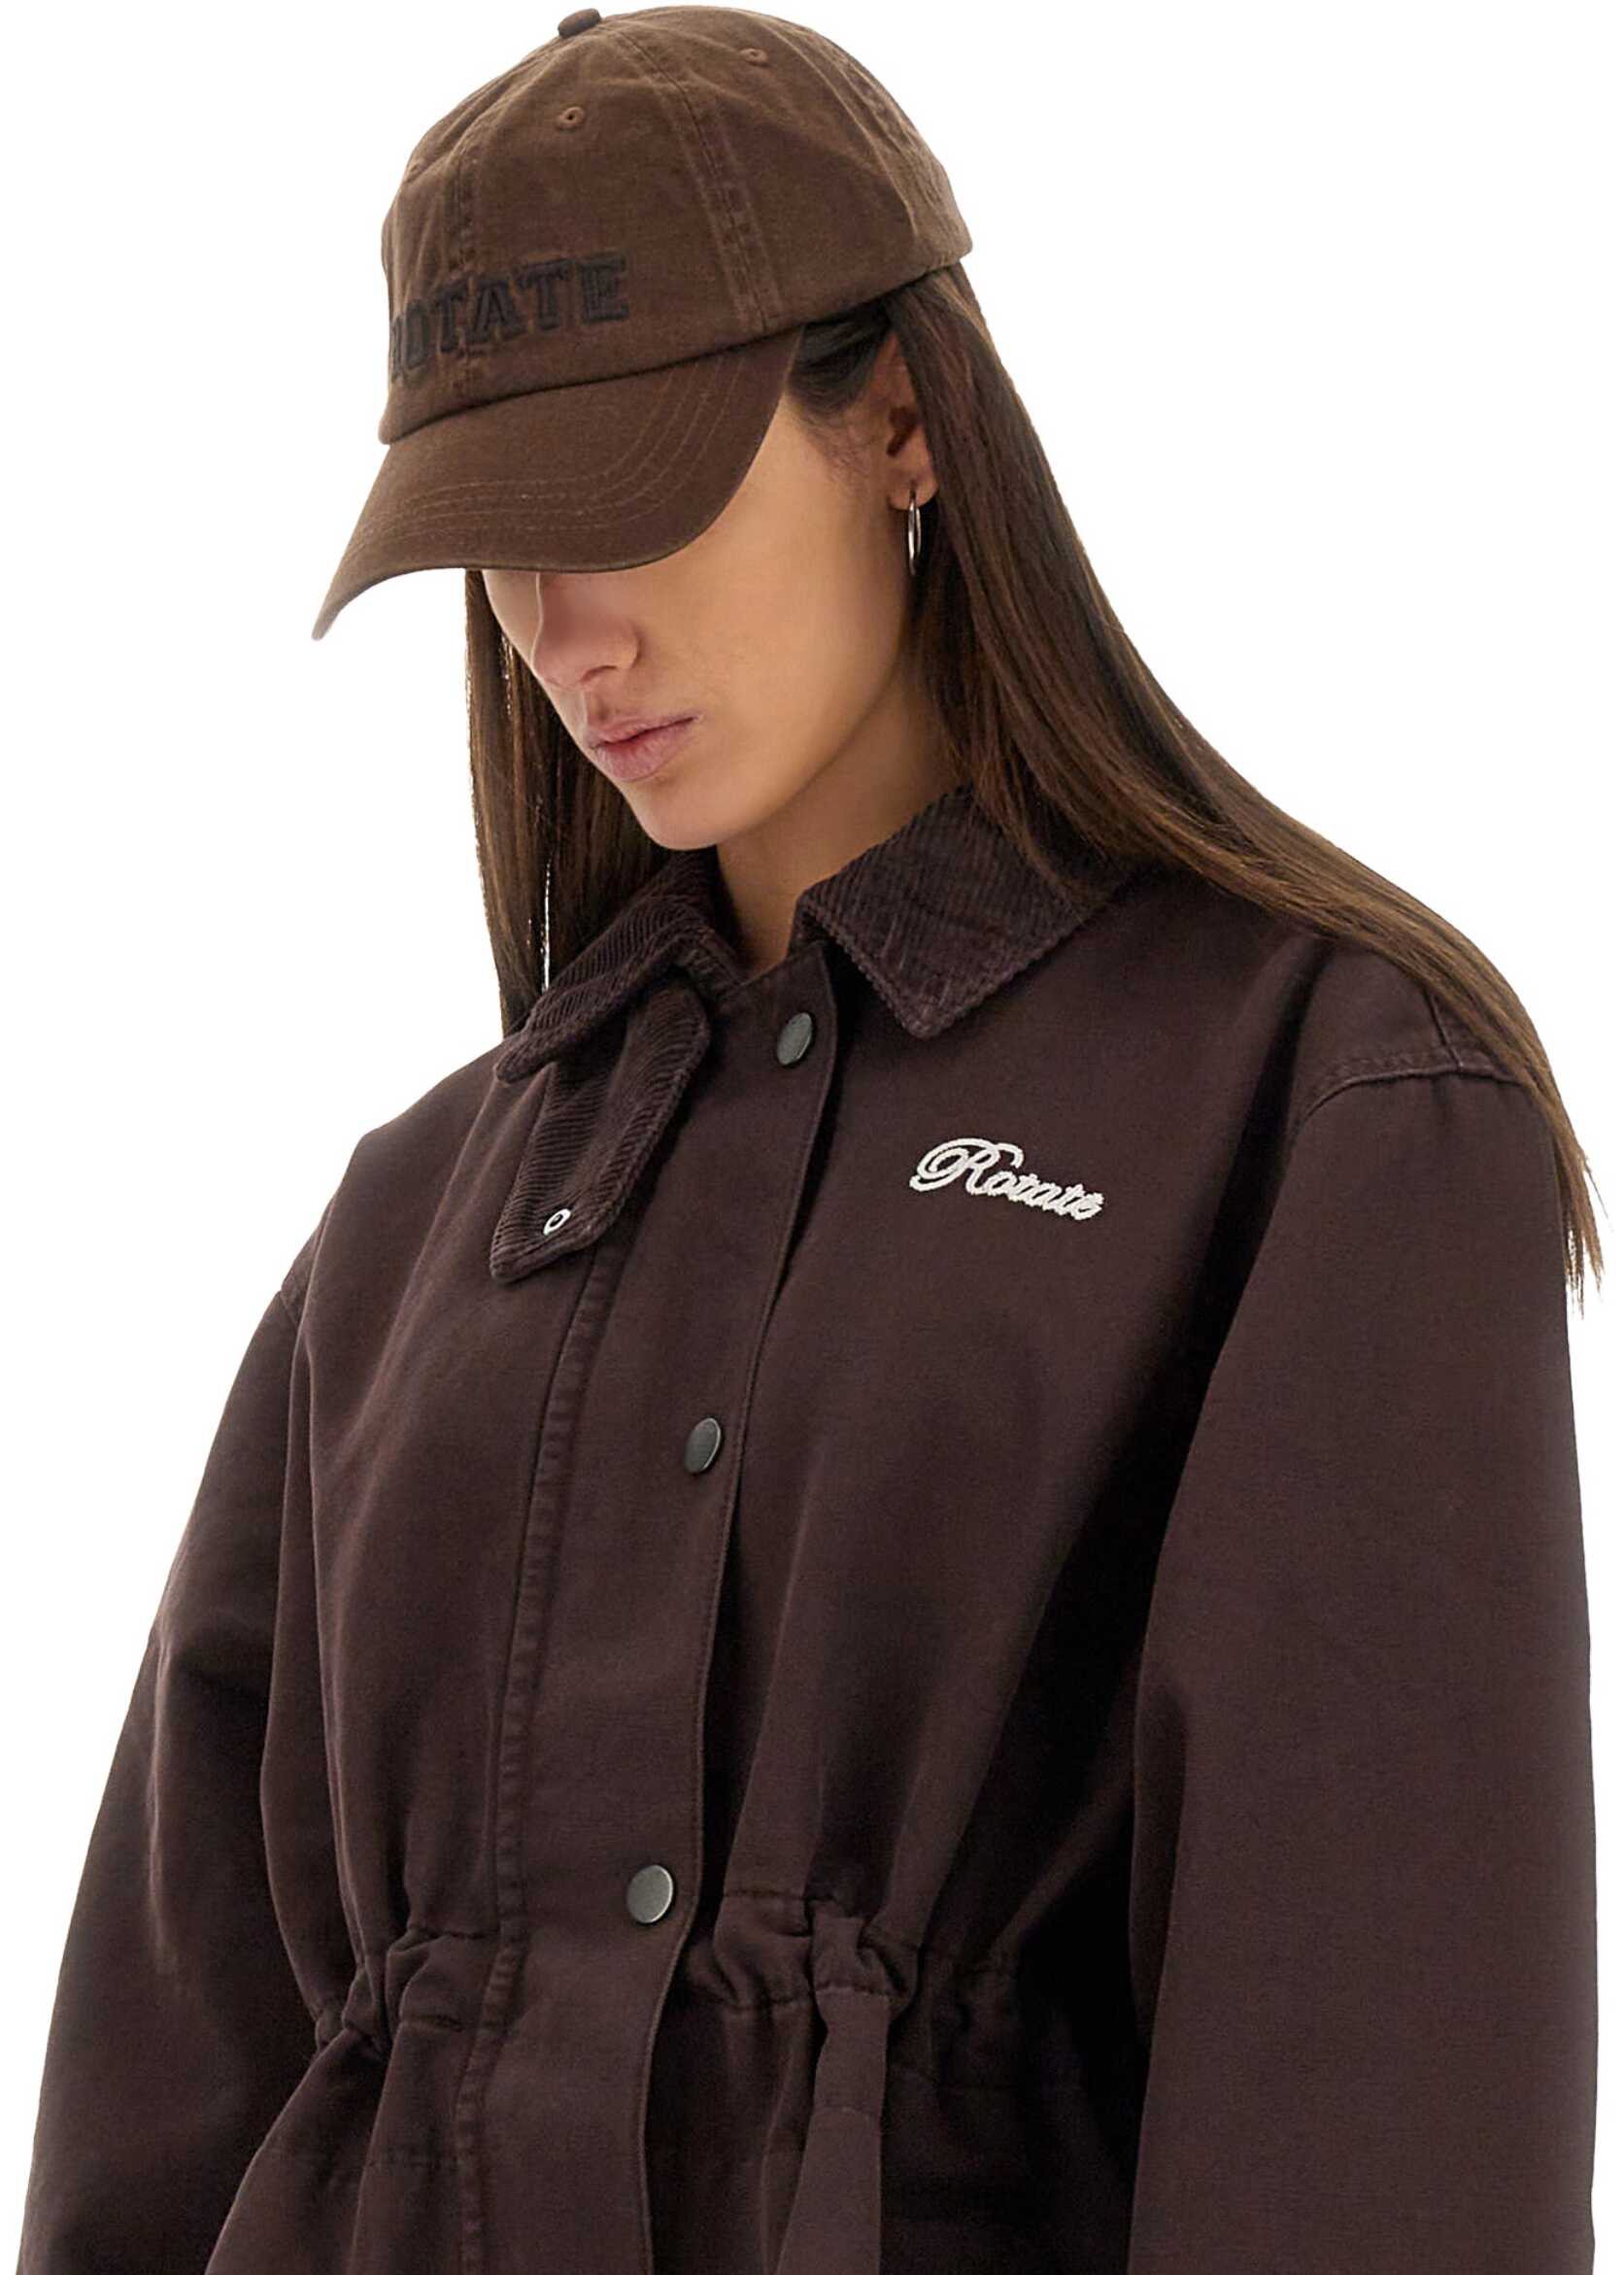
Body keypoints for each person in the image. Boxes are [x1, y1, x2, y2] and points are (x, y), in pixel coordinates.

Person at [15, 7, 1600, 2273]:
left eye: (630, 498)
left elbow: (1375, 2122)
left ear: (901, 421)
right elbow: (162, 2101)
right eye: (498, 544)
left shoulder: (1316, 1108)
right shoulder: (407, 1225)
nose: (565, 635)